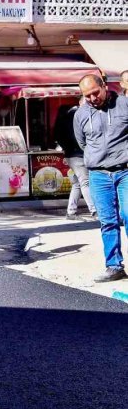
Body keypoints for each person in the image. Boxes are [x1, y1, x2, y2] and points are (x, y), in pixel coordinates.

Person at [74, 74, 128, 283]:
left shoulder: (124, 105)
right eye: (87, 96)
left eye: (95, 93)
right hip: (98, 174)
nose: (92, 98)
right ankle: (114, 266)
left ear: (105, 86)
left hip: (125, 171)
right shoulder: (80, 114)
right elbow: (82, 143)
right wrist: (97, 158)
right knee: (107, 221)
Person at [54, 104, 96, 220]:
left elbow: (57, 135)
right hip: (78, 154)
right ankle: (95, 211)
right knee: (85, 182)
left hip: (70, 154)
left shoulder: (64, 117)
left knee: (77, 183)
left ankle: (71, 212)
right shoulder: (78, 116)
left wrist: (66, 148)